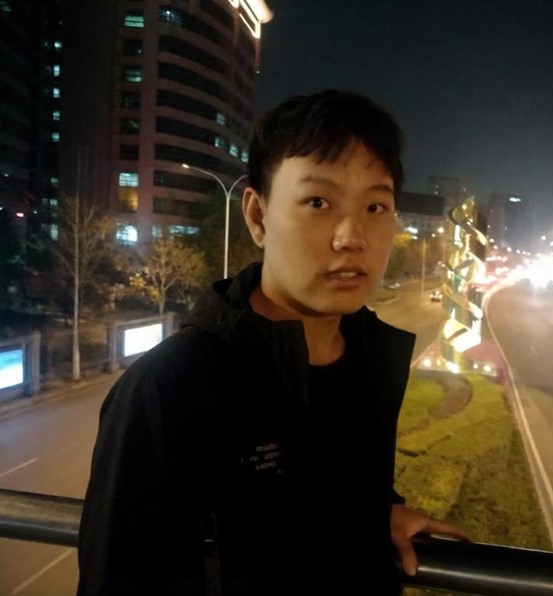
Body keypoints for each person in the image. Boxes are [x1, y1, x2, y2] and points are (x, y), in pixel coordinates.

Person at [77, 89, 471, 596]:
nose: (352, 236)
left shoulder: (371, 358)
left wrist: (372, 513)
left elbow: (310, 498)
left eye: (376, 206)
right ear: (258, 217)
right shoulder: (171, 386)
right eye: (318, 202)